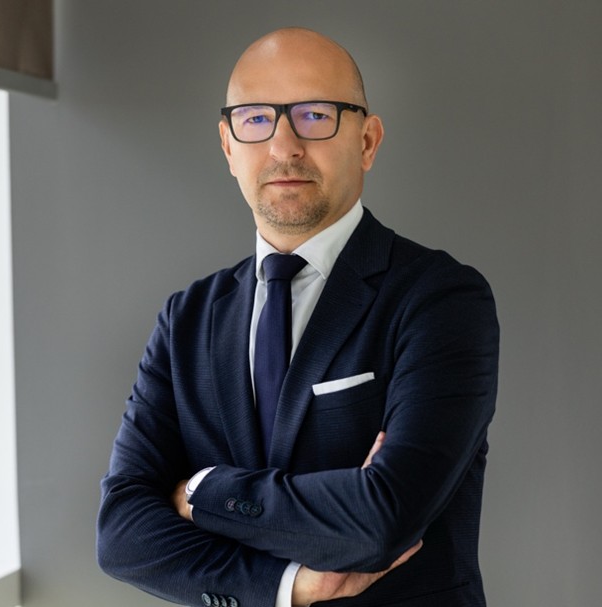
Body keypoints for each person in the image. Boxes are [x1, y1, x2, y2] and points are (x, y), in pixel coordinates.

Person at [97, 27, 499, 607]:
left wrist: (201, 491)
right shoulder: (186, 320)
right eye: (256, 119)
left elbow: (382, 520)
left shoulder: (440, 299)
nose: (283, 147)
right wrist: (289, 587)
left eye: (315, 115)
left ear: (367, 140)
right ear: (228, 146)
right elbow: (121, 535)